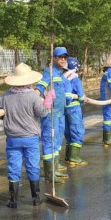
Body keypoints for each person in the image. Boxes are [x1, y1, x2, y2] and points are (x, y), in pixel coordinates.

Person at [0, 63, 53, 208]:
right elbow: (43, 113)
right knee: (32, 166)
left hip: (13, 138)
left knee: (14, 167)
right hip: (30, 137)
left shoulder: (5, 96)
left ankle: (13, 200)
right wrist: (48, 100)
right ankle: (36, 198)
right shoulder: (32, 96)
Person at [35, 46, 73, 183]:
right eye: (60, 57)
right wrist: (35, 98)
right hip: (50, 115)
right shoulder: (49, 72)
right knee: (49, 141)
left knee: (57, 140)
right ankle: (49, 174)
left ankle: (55, 167)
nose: (63, 59)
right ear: (54, 58)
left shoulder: (59, 74)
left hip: (60, 113)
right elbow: (40, 87)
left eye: (65, 57)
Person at [63, 57, 88, 166]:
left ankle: (68, 156)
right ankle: (74, 157)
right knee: (77, 131)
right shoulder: (75, 79)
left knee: (68, 132)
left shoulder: (62, 78)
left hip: (64, 108)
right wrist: (82, 100)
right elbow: (81, 96)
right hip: (74, 109)